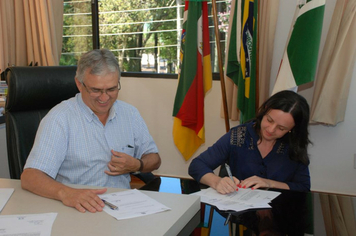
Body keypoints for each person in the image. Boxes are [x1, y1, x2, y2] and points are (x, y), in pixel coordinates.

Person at [21, 48, 161, 213]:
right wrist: (67, 193)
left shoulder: (129, 113)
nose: (104, 98)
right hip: (78, 208)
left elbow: (155, 159)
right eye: (95, 90)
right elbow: (30, 177)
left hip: (123, 207)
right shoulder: (59, 119)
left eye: (111, 89)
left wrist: (137, 164)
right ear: (79, 84)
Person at [189, 90, 311, 194]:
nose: (271, 129)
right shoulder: (239, 135)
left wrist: (269, 183)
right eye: (269, 120)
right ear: (265, 110)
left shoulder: (294, 144)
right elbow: (196, 165)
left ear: (292, 129)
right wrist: (217, 182)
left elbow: (303, 187)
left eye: (281, 128)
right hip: (239, 215)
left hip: (278, 215)